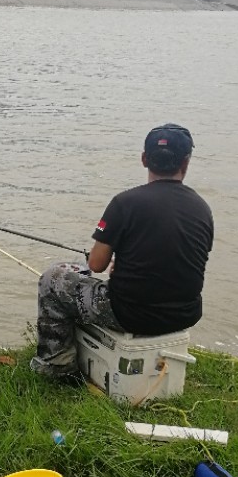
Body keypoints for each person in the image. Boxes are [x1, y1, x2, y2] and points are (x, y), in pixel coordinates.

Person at [31, 124, 214, 384]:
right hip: (185, 314)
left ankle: (56, 367)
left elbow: (96, 264)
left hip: (130, 313)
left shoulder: (124, 203)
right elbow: (183, 257)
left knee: (53, 279)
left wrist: (116, 263)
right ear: (186, 162)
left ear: (144, 159)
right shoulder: (202, 208)